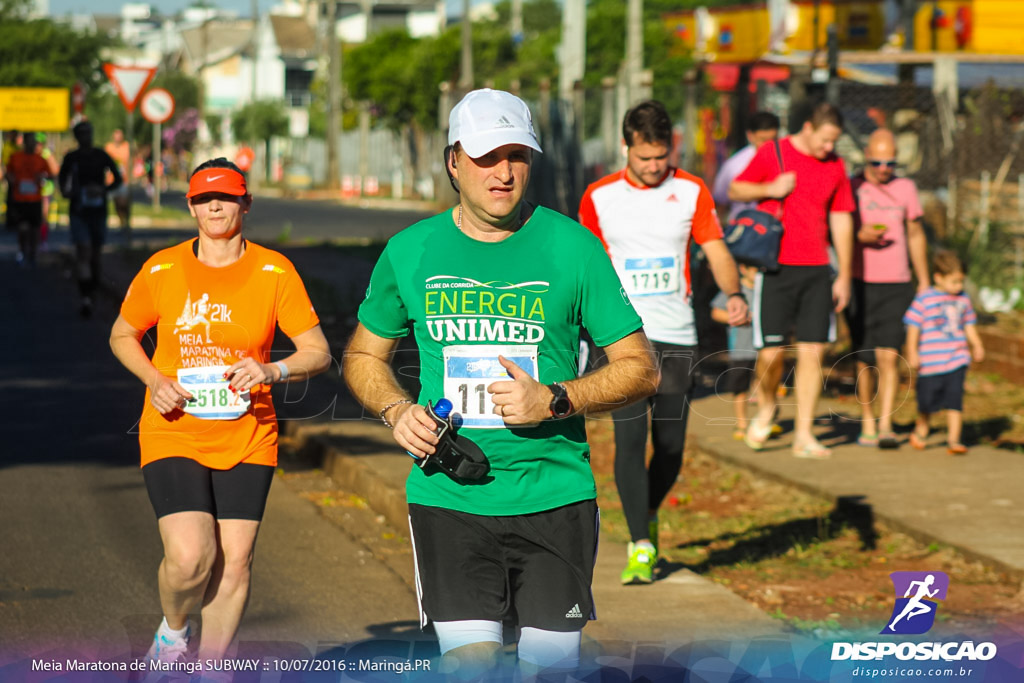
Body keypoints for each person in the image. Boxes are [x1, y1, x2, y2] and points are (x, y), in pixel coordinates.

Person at [343, 89, 658, 679]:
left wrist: (556, 398)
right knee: (471, 668)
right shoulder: (411, 251)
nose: (504, 172)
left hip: (554, 497)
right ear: (453, 161)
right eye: (488, 156)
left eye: (518, 154)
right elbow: (364, 354)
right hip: (451, 497)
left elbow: (640, 367)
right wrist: (394, 409)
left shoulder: (573, 247)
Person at [109, 158, 330, 671]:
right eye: (204, 198)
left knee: (234, 565)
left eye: (227, 197)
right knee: (191, 559)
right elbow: (122, 334)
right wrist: (154, 380)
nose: (215, 206)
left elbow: (317, 351)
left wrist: (271, 370)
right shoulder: (162, 268)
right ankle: (173, 631)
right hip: (173, 430)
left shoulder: (275, 271)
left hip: (249, 434)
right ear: (190, 206)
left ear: (245, 204)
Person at [577, 100, 748, 585]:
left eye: (661, 157)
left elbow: (715, 248)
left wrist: (733, 293)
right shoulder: (599, 196)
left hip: (677, 337)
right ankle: (641, 543)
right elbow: (583, 267)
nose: (654, 167)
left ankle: (645, 512)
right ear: (626, 147)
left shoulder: (691, 190)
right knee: (630, 441)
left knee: (670, 446)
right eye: (644, 157)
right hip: (621, 340)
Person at [729, 102, 856, 459]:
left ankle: (804, 434)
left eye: (834, 141)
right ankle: (767, 405)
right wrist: (771, 188)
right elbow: (736, 190)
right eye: (825, 139)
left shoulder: (836, 165)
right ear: (808, 127)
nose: (829, 148)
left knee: (814, 352)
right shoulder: (774, 152)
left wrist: (843, 273)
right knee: (770, 355)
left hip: (818, 268)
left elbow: (842, 217)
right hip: (776, 267)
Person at [847, 129, 930, 449]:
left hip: (897, 283)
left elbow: (916, 234)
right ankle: (867, 419)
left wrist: (923, 281)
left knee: (889, 356)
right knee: (864, 357)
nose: (884, 168)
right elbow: (836, 229)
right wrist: (858, 236)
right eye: (877, 161)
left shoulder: (906, 188)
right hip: (860, 282)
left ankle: (885, 424)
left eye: (891, 162)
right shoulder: (853, 187)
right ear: (866, 155)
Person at [903, 249, 984, 455]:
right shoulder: (925, 298)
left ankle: (954, 439)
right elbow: (913, 326)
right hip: (930, 362)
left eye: (961, 282)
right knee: (927, 400)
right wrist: (912, 351)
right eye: (954, 282)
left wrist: (976, 344)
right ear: (938, 277)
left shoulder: (963, 300)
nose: (958, 287)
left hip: (957, 358)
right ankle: (922, 429)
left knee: (954, 399)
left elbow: (969, 324)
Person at [59, 121, 122, 317]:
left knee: (95, 256)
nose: (86, 136)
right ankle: (85, 298)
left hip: (98, 211)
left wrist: (102, 190)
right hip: (79, 212)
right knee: (83, 252)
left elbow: (117, 178)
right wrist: (70, 192)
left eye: (89, 132)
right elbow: (62, 182)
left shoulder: (100, 156)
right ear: (77, 137)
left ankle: (93, 291)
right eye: (82, 133)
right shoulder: (72, 158)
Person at [711, 263, 759, 439]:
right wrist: (739, 318)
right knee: (740, 389)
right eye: (755, 268)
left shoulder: (767, 288)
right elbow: (716, 312)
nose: (758, 272)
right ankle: (742, 424)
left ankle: (763, 423)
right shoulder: (734, 290)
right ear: (744, 268)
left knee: (766, 387)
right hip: (741, 349)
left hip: (764, 350)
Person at [712, 111, 781, 222]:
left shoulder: (784, 159)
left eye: (772, 140)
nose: (768, 145)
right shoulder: (734, 165)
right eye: (763, 140)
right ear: (750, 136)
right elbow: (720, 202)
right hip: (745, 231)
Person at [5, 133, 52, 266]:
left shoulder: (40, 159)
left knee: (35, 227)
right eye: (29, 141)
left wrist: (41, 178)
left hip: (35, 199)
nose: (32, 144)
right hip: (20, 199)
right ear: (25, 142)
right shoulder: (16, 157)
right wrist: (12, 180)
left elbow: (49, 174)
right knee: (22, 227)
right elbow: (7, 172)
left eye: (34, 142)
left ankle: (33, 253)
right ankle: (22, 251)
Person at [105, 128, 132, 232]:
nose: (118, 138)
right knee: (115, 203)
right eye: (116, 136)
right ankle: (121, 223)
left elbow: (130, 163)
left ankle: (125, 221)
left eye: (120, 136)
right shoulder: (109, 147)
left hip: (124, 180)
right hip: (111, 180)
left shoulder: (127, 147)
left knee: (123, 203)